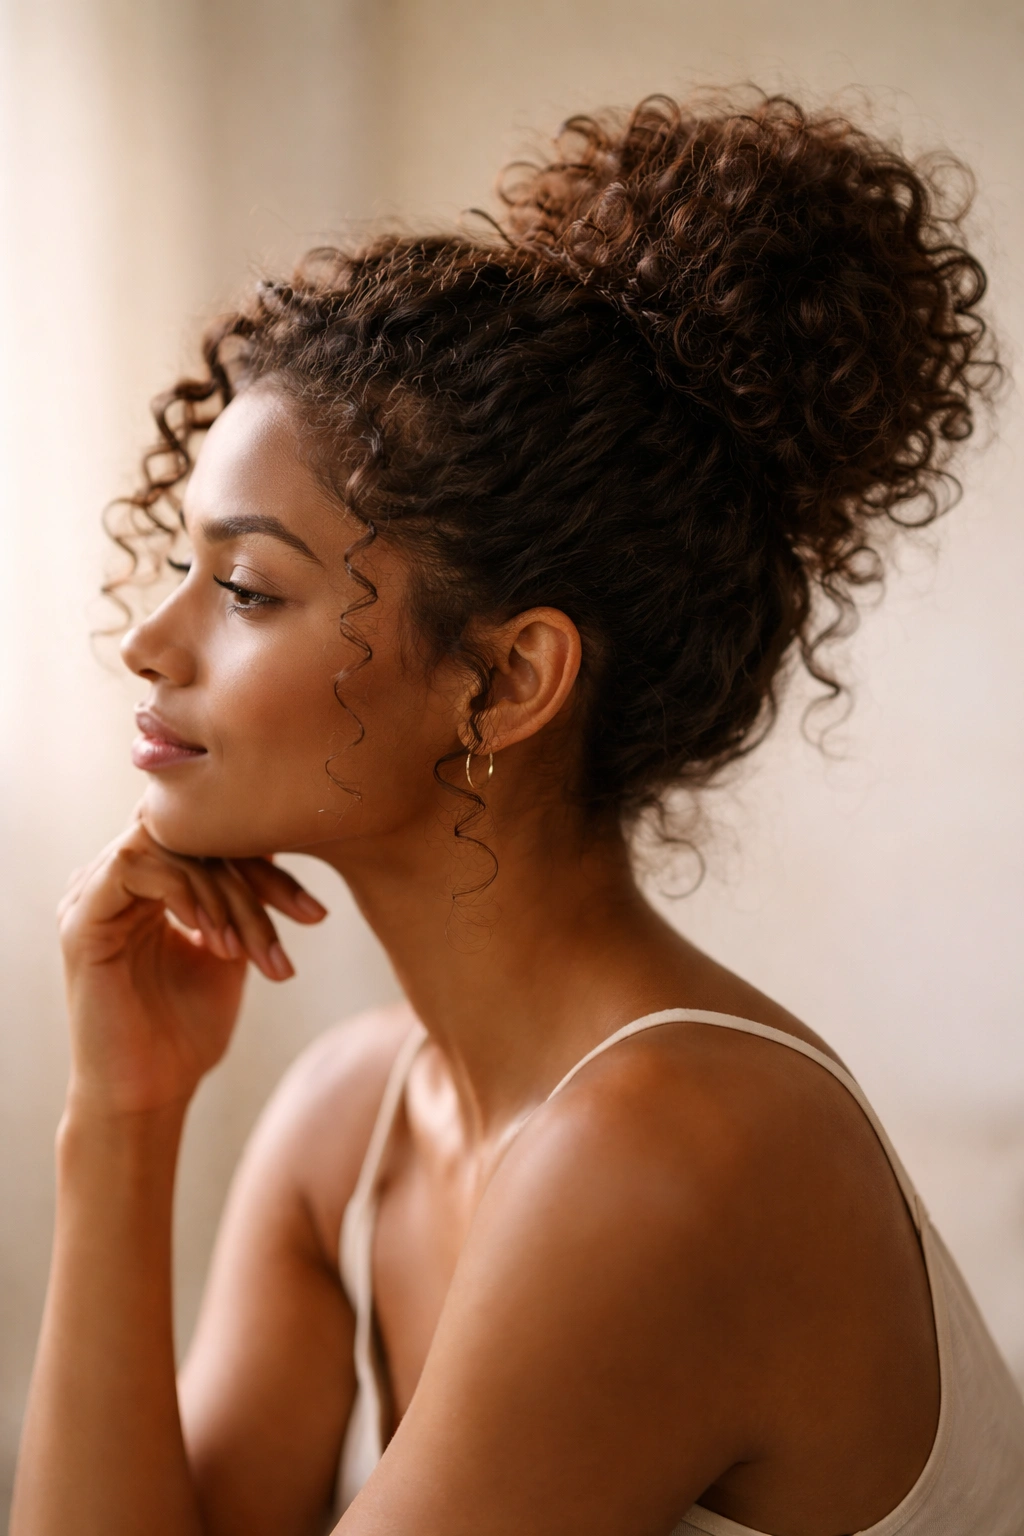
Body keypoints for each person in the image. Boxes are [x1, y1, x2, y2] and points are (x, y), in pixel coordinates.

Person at [11, 91, 1024, 1536]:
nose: (149, 643)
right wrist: (121, 1115)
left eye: (245, 589)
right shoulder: (347, 1124)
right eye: (182, 569)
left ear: (506, 680)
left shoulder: (679, 1152)